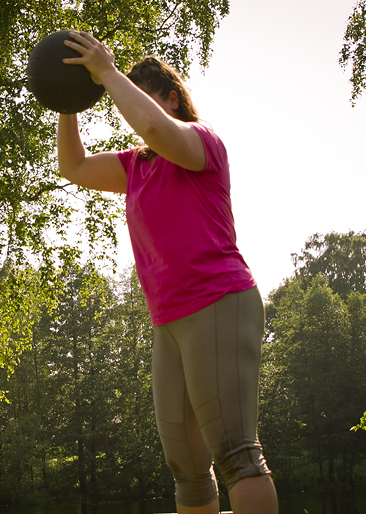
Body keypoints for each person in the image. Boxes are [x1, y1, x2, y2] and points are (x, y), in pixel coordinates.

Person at [57, 31, 279, 514]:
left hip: (219, 302)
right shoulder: (135, 166)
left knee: (237, 455)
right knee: (188, 470)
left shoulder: (202, 143)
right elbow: (72, 165)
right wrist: (66, 98)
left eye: (142, 96)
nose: (131, 112)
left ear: (171, 99)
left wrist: (109, 73)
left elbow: (157, 130)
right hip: (169, 323)